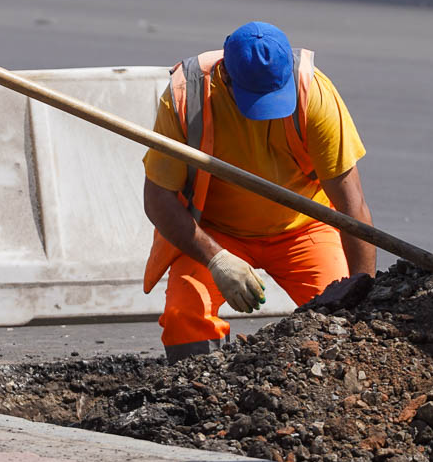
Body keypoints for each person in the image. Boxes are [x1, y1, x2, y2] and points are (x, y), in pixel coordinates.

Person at [141, 22, 376, 364]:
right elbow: (158, 199)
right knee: (184, 317)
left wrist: (363, 294)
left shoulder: (315, 96)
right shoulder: (186, 95)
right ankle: (195, 391)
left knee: (338, 319)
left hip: (303, 228)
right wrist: (216, 259)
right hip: (215, 231)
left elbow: (352, 207)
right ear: (227, 78)